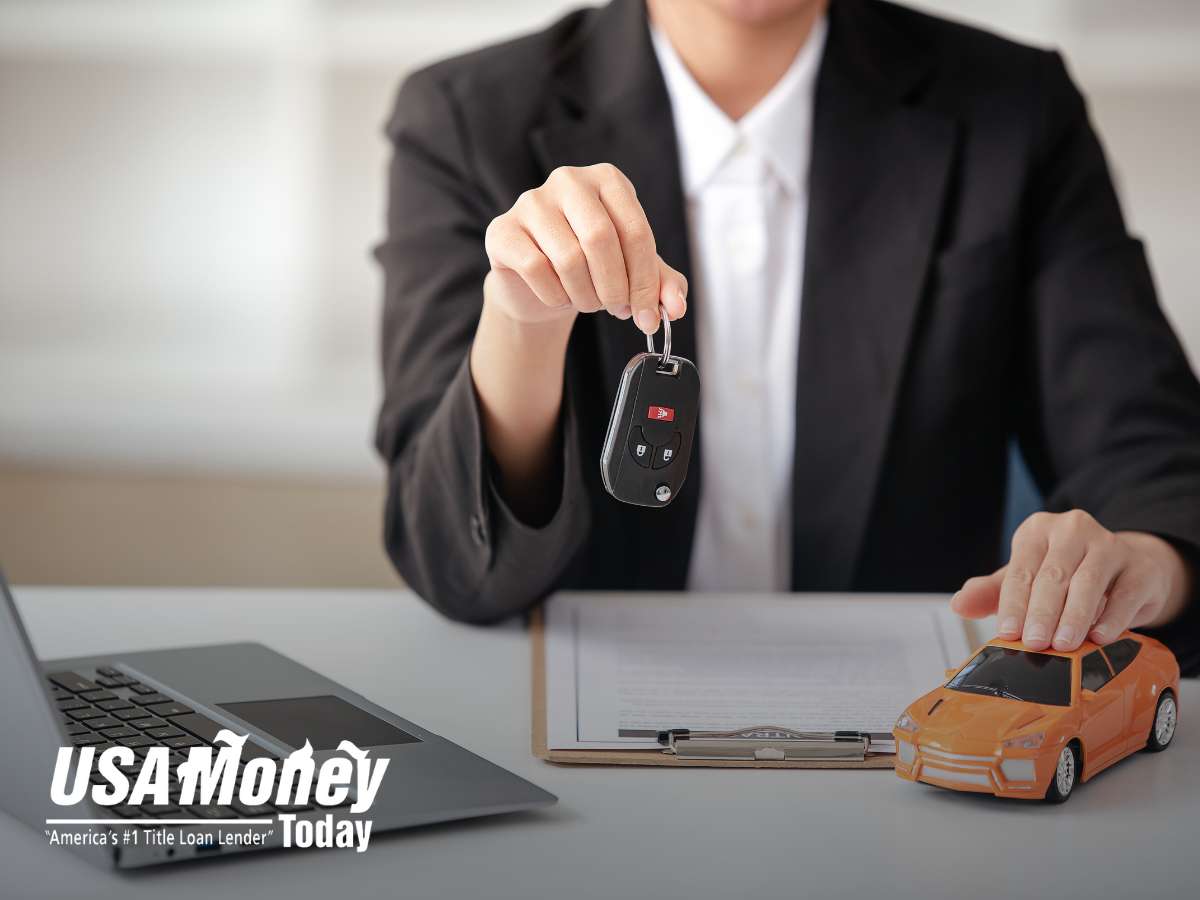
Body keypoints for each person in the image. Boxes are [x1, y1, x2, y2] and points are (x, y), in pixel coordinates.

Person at [374, 0, 1200, 673]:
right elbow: (451, 557)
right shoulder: (465, 117)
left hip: (918, 740)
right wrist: (524, 321)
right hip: (559, 733)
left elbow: (1150, 452)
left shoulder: (1014, 110)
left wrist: (1147, 561)